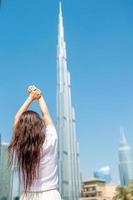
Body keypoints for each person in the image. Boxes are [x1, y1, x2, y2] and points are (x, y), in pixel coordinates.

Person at [8, 85, 61, 200]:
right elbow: (46, 115)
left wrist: (31, 98)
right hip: (51, 195)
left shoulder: (20, 146)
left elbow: (16, 118)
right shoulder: (51, 139)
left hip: (27, 196)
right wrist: (39, 97)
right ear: (39, 125)